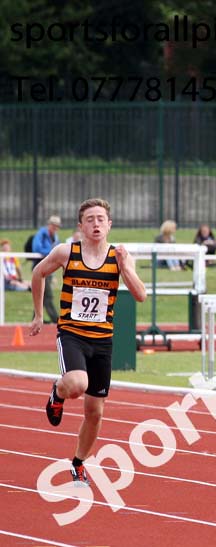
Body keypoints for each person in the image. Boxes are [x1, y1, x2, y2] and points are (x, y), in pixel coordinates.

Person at [31, 198, 147, 485]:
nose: (96, 224)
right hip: (72, 334)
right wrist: (37, 315)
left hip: (103, 340)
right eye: (90, 219)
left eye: (101, 219)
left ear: (109, 224)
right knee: (77, 384)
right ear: (81, 226)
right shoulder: (66, 252)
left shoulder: (119, 256)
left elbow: (140, 294)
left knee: (95, 412)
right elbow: (38, 273)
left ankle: (78, 463)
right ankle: (57, 393)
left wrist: (125, 267)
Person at [32, 215, 62, 323]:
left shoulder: (56, 237)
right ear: (49, 224)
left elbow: (58, 249)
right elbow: (37, 247)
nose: (55, 228)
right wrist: (51, 252)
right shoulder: (41, 234)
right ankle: (56, 319)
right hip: (40, 268)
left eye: (57, 226)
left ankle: (35, 317)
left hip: (50, 268)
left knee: (42, 294)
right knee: (47, 294)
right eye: (53, 225)